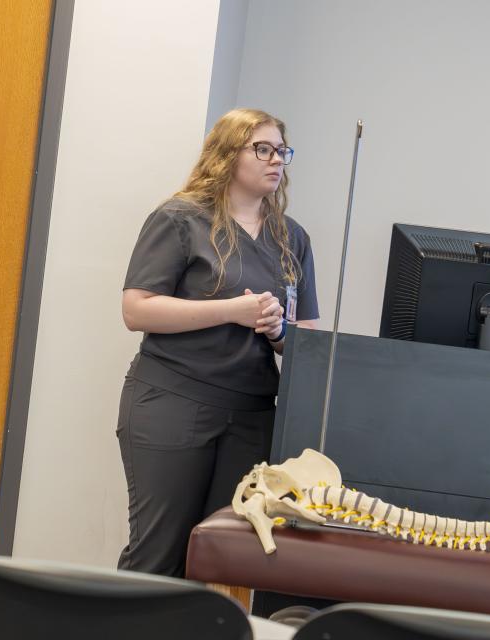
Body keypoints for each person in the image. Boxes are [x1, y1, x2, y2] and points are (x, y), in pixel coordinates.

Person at [116, 108, 319, 577]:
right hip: (173, 402)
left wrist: (278, 330)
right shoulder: (180, 218)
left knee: (214, 557)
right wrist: (231, 310)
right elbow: (137, 309)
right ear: (228, 155)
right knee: (159, 553)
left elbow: (306, 340)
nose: (276, 161)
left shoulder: (292, 238)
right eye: (262, 149)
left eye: (282, 152)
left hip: (250, 415)